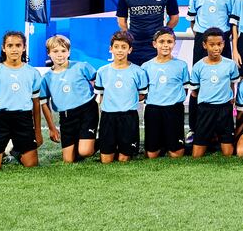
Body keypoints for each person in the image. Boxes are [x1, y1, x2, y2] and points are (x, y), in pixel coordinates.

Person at [186, 0, 237, 146]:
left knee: (224, 82)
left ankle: (223, 128)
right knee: (198, 84)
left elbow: (233, 24)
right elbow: (192, 21)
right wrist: (203, 38)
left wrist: (224, 41)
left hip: (223, 39)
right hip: (203, 39)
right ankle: (194, 128)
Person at [0, 31, 42, 172]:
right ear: (3, 48)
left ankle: (13, 150)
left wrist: (38, 131)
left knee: (31, 164)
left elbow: (36, 104)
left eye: (18, 45)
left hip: (23, 119)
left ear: (24, 48)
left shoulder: (33, 73)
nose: (14, 49)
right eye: (10, 45)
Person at [39, 35, 98, 163]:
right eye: (55, 51)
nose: (60, 55)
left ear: (69, 52)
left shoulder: (82, 67)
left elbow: (99, 83)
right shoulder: (46, 78)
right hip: (66, 117)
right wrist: (52, 127)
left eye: (63, 51)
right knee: (69, 160)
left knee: (85, 152)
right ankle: (82, 140)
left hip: (87, 111)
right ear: (49, 53)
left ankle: (107, 142)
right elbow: (44, 105)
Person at [95, 31, 149, 163]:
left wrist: (126, 100)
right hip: (108, 117)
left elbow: (142, 95)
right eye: (117, 46)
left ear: (130, 50)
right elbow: (100, 96)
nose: (120, 50)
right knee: (106, 160)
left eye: (124, 47)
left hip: (128, 117)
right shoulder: (102, 71)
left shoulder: (138, 72)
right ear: (111, 49)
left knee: (124, 158)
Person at [189, 27, 239, 158]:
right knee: (197, 155)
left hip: (224, 109)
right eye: (212, 45)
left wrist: (230, 100)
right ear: (204, 45)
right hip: (206, 109)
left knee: (228, 153)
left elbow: (232, 84)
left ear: (223, 44)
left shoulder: (230, 65)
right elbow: (194, 92)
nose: (216, 48)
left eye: (219, 44)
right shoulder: (198, 66)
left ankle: (221, 138)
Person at [142, 27, 190, 159]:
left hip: (174, 110)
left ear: (174, 43)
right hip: (153, 109)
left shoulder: (182, 65)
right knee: (152, 155)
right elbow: (143, 91)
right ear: (154, 44)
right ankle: (160, 143)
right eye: (161, 41)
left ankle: (171, 142)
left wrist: (173, 99)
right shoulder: (146, 66)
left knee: (176, 154)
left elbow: (185, 88)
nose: (165, 45)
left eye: (169, 42)